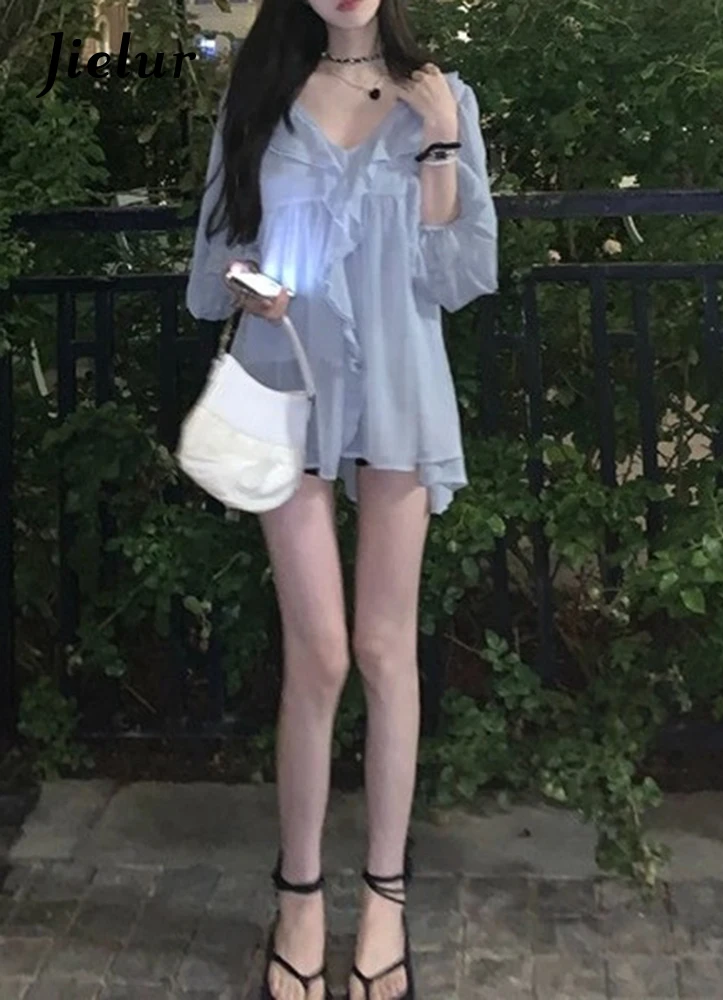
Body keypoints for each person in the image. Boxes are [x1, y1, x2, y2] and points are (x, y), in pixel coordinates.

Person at [185, 1, 498, 997]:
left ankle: (388, 897)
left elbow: (460, 274)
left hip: (400, 389)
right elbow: (212, 269)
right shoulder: (260, 96)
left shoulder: (440, 96)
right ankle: (300, 894)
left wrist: (439, 141)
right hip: (291, 388)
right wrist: (254, 283)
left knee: (383, 650)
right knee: (318, 653)